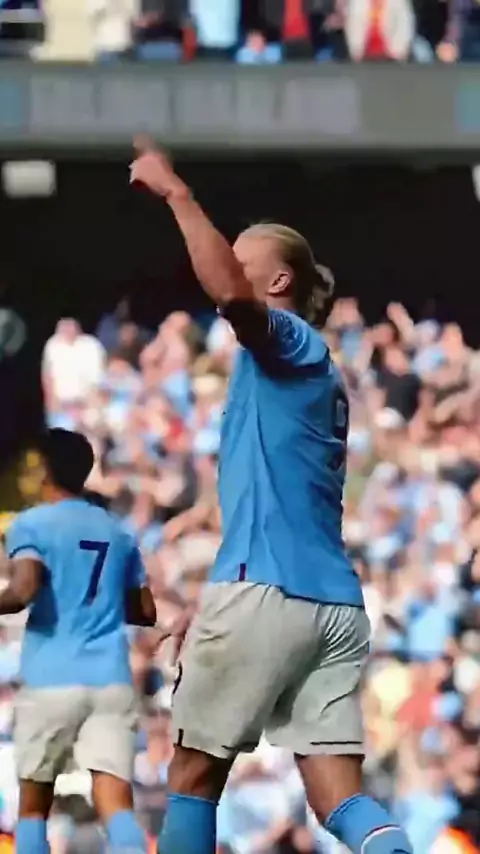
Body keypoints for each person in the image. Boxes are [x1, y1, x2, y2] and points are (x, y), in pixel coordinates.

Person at [130, 138, 413, 854]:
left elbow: (229, 294)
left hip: (269, 592)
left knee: (191, 777)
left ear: (279, 280)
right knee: (339, 796)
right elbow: (273, 505)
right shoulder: (302, 373)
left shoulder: (288, 340)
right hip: (331, 604)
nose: (226, 260)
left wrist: (177, 195)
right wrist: (216, 595)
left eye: (241, 253)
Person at [1, 428, 157, 854]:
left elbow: (24, 589)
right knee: (116, 804)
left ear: (44, 470)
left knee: (34, 809)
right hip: (110, 679)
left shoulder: (31, 523)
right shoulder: (118, 532)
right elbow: (145, 610)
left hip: (51, 677)